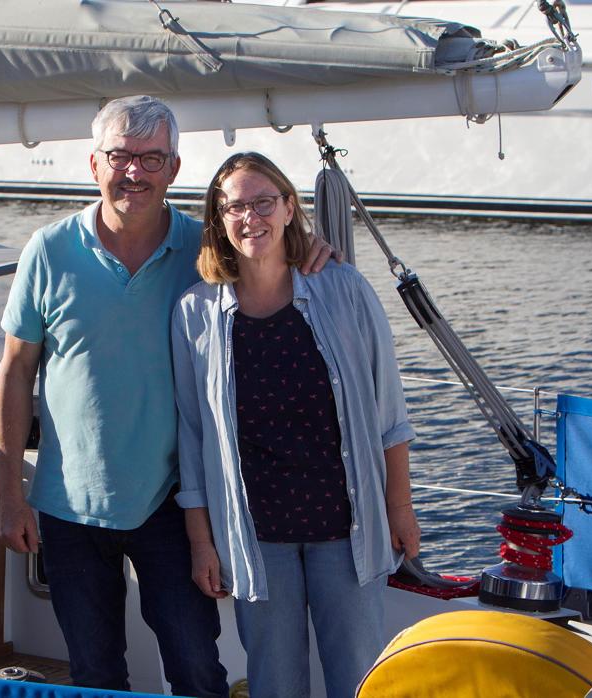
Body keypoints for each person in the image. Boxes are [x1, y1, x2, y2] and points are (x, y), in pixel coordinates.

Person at [0, 97, 331, 694]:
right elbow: (16, 372)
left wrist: (310, 251)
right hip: (70, 504)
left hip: (173, 505)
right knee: (96, 676)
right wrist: (8, 496)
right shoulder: (47, 251)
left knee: (198, 667)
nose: (135, 172)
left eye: (152, 158)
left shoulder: (208, 253)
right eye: (121, 156)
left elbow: (270, 259)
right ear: (93, 163)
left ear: (173, 170)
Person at [170, 152, 420, 698]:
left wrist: (400, 509)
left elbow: (389, 414)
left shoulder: (344, 289)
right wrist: (201, 542)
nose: (249, 217)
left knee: (358, 682)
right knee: (274, 685)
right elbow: (192, 435)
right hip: (257, 538)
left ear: (288, 208)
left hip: (345, 529)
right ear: (218, 219)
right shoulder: (195, 313)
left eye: (262, 202)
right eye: (234, 206)